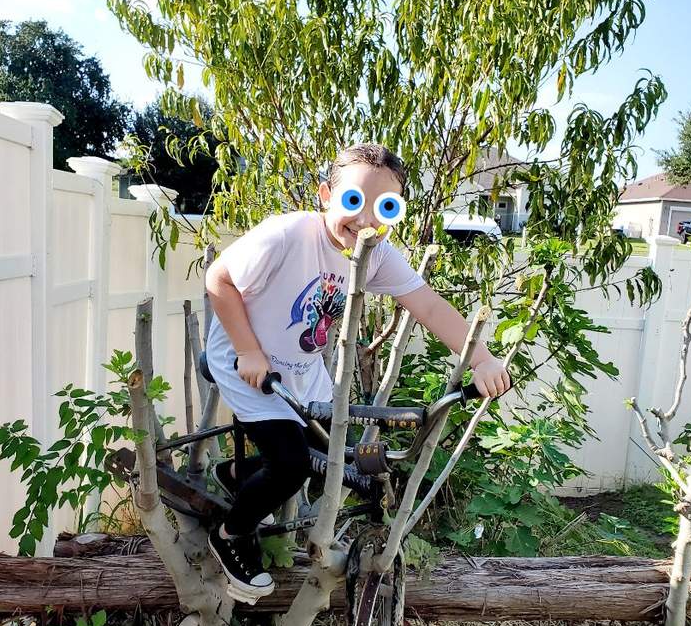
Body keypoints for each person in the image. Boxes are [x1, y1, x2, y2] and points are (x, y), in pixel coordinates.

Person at [204, 142, 512, 599]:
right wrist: (248, 351)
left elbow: (426, 304)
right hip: (244, 359)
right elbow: (219, 279)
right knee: (290, 464)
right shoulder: (288, 235)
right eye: (353, 202)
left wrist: (482, 358)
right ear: (326, 195)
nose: (366, 220)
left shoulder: (376, 253)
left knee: (325, 450)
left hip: (302, 370)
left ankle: (238, 476)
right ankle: (229, 534)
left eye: (383, 209)